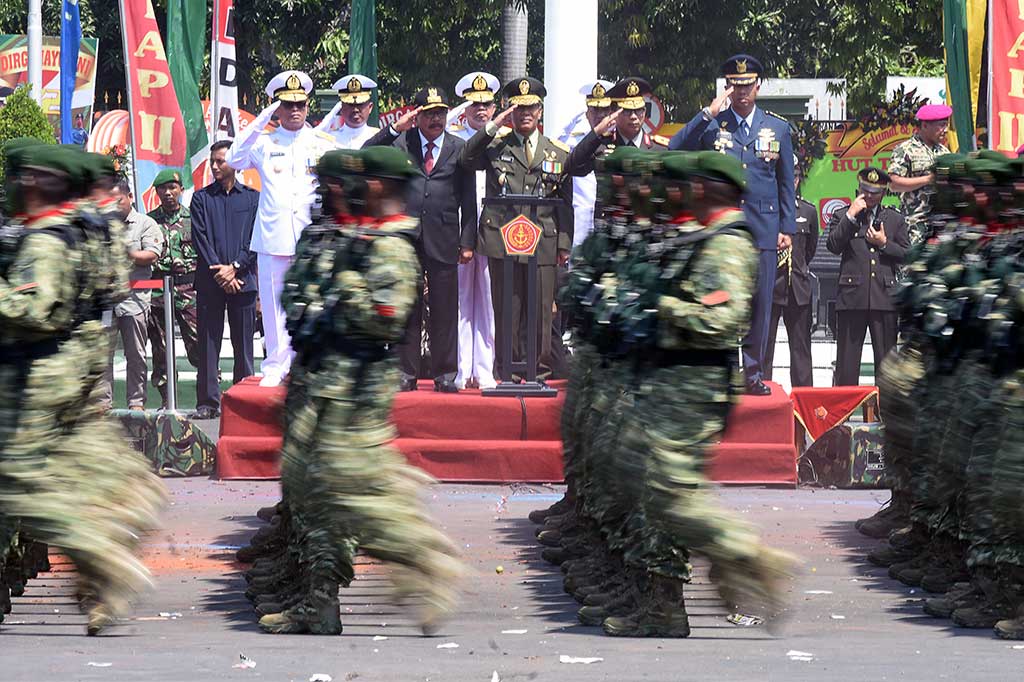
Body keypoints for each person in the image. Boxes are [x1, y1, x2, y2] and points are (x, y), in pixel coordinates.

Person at [252, 146, 462, 635]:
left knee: (352, 492)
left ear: (381, 187)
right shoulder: (347, 237)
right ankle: (318, 601)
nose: (337, 192)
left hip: (353, 386)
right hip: (316, 376)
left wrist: (341, 288)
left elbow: (381, 319)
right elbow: (297, 296)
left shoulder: (389, 247)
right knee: (311, 493)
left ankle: (425, 562)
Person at [0, 141, 165, 635]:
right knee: (73, 465)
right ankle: (116, 533)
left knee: (22, 483)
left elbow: (35, 308)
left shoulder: (50, 238)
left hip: (42, 371)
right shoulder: (89, 228)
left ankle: (103, 552)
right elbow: (110, 285)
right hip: (74, 359)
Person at [460, 76, 614, 381]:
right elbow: (466, 158)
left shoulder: (554, 150)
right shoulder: (495, 145)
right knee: (507, 309)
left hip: (542, 240)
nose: (524, 114)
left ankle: (538, 372)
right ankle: (508, 371)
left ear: (540, 111)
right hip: (503, 239)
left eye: (530, 108)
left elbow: (566, 198)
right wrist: (493, 125)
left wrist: (564, 244)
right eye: (518, 108)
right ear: (509, 111)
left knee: (542, 311)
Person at [669, 54, 796, 396]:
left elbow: (786, 183)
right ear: (727, 87)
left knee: (760, 304)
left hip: (763, 227)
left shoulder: (778, 128)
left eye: (747, 85)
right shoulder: (713, 125)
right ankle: (723, 373)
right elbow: (677, 147)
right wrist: (708, 112)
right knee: (720, 300)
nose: (741, 92)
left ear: (759, 86)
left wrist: (787, 227)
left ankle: (752, 374)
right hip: (721, 229)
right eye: (735, 85)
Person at [226, 70, 338, 387]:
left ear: (307, 105)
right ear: (278, 108)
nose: (294, 111)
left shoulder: (321, 143)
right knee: (274, 306)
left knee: (313, 302)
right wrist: (263, 118)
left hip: (310, 237)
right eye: (287, 105)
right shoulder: (264, 142)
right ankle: (276, 363)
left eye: (299, 104)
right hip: (273, 235)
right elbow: (234, 159)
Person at [365, 86, 476, 393]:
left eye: (440, 113)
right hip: (405, 239)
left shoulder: (458, 146)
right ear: (416, 115)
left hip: (444, 236)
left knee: (444, 309)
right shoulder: (401, 143)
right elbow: (365, 154)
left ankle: (445, 374)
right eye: (428, 114)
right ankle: (405, 372)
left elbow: (468, 197)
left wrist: (468, 241)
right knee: (407, 308)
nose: (436, 119)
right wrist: (394, 128)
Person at [190, 140, 260, 418]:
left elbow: (255, 239)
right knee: (208, 344)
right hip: (210, 283)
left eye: (221, 161)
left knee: (244, 346)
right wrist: (221, 273)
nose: (215, 166)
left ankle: (242, 402)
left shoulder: (253, 198)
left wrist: (236, 267)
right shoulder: (201, 198)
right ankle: (208, 403)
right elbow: (201, 239)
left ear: (235, 163)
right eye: (213, 162)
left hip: (243, 282)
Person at [826, 167, 909, 386]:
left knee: (887, 365)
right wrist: (850, 216)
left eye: (876, 192)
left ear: (883, 193)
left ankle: (887, 416)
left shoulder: (894, 218)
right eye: (866, 190)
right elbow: (833, 245)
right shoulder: (843, 214)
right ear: (858, 189)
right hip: (853, 298)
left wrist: (884, 244)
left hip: (884, 297)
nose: (870, 195)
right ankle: (843, 415)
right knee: (847, 363)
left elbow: (906, 254)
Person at [448, 71, 500, 389]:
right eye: (475, 104)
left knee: (490, 302)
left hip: (493, 231)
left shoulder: (502, 139)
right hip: (461, 229)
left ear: (494, 108)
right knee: (461, 301)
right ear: (465, 108)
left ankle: (484, 369)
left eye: (486, 104)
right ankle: (460, 368)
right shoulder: (455, 142)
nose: (481, 110)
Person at [103, 178, 164, 410]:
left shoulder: (145, 223)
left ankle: (136, 402)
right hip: (106, 300)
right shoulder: (103, 225)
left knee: (135, 353)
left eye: (118, 200)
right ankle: (103, 403)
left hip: (134, 299)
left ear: (130, 197)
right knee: (102, 355)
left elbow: (152, 254)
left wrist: (127, 252)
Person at [147, 169, 201, 407]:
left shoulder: (194, 218)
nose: (168, 193)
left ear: (181, 190)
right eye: (162, 189)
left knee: (199, 345)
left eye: (172, 188)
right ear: (157, 192)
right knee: (160, 350)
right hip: (158, 292)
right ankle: (167, 401)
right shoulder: (149, 222)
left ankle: (207, 398)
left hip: (189, 291)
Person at [764, 158, 818, 387]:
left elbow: (810, 250)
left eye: (792, 177)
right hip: (770, 287)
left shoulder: (808, 210)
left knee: (801, 351)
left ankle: (803, 408)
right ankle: (762, 402)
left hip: (797, 287)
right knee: (764, 349)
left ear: (797, 180)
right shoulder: (764, 210)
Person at [558, 80, 616, 249]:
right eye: (595, 109)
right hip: (577, 225)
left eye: (605, 109)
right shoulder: (570, 140)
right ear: (587, 112)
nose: (600, 115)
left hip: (609, 226)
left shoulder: (617, 140)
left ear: (612, 111)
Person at [888, 103, 952, 246]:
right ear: (925, 126)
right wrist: (928, 179)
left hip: (941, 225)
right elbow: (893, 184)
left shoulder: (944, 152)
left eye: (946, 125)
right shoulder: (905, 150)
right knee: (913, 267)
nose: (945, 130)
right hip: (915, 224)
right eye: (941, 125)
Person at [605, 77, 669, 150]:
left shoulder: (660, 149)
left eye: (638, 110)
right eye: (627, 111)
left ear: (644, 112)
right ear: (614, 114)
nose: (633, 116)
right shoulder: (602, 147)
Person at [319, 74, 380, 149]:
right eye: (351, 104)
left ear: (370, 107)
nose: (355, 110)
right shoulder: (329, 141)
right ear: (341, 109)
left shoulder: (378, 138)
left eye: (360, 104)